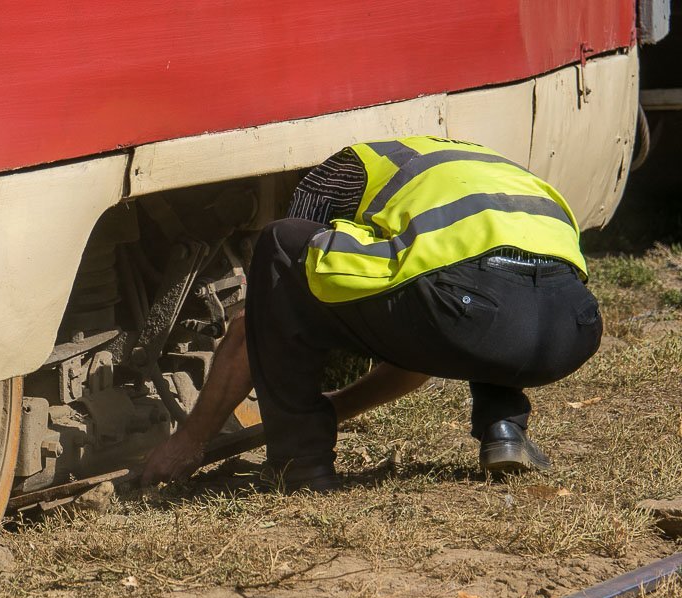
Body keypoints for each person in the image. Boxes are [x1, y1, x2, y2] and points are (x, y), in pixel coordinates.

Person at [140, 135, 602, 491]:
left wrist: (189, 441)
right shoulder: (484, 170)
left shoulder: (339, 173)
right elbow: (421, 345)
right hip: (571, 330)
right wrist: (337, 407)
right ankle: (504, 430)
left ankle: (300, 464)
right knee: (481, 287)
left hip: (468, 309)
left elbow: (261, 316)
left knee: (281, 246)